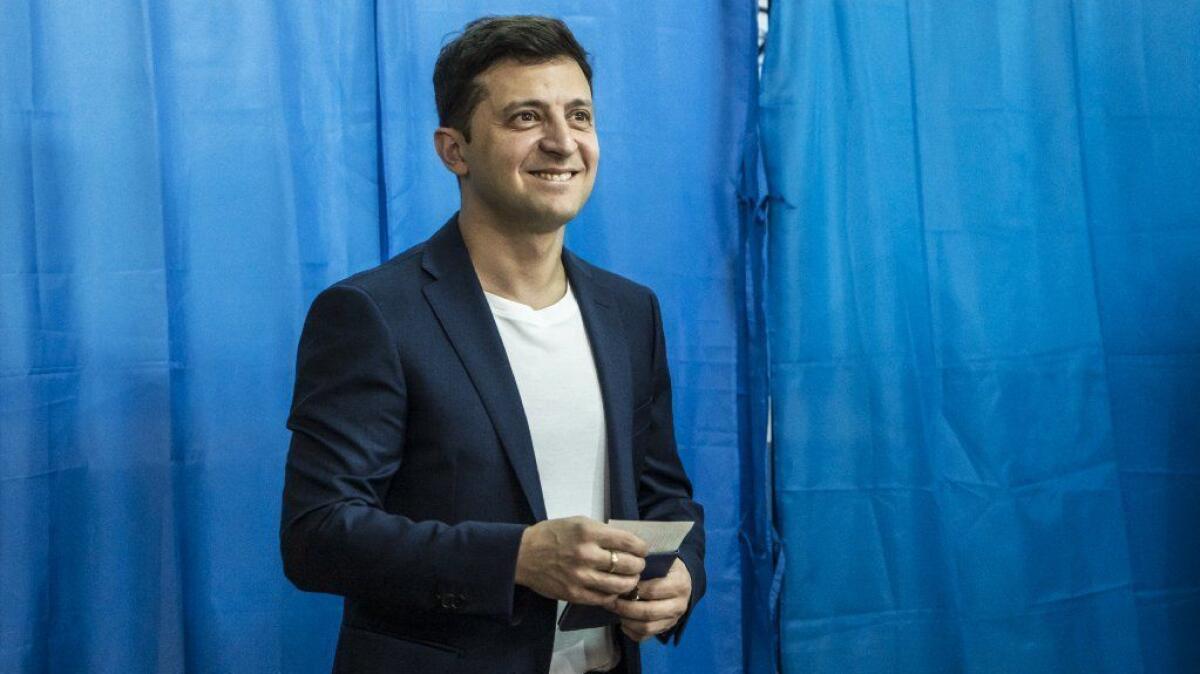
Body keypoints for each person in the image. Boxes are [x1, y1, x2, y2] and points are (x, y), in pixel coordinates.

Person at [280, 15, 705, 674]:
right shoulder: (373, 315)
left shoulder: (630, 312)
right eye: (526, 118)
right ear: (455, 150)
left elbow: (664, 497)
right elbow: (318, 536)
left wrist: (682, 574)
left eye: (580, 117)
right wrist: (518, 559)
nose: (563, 143)